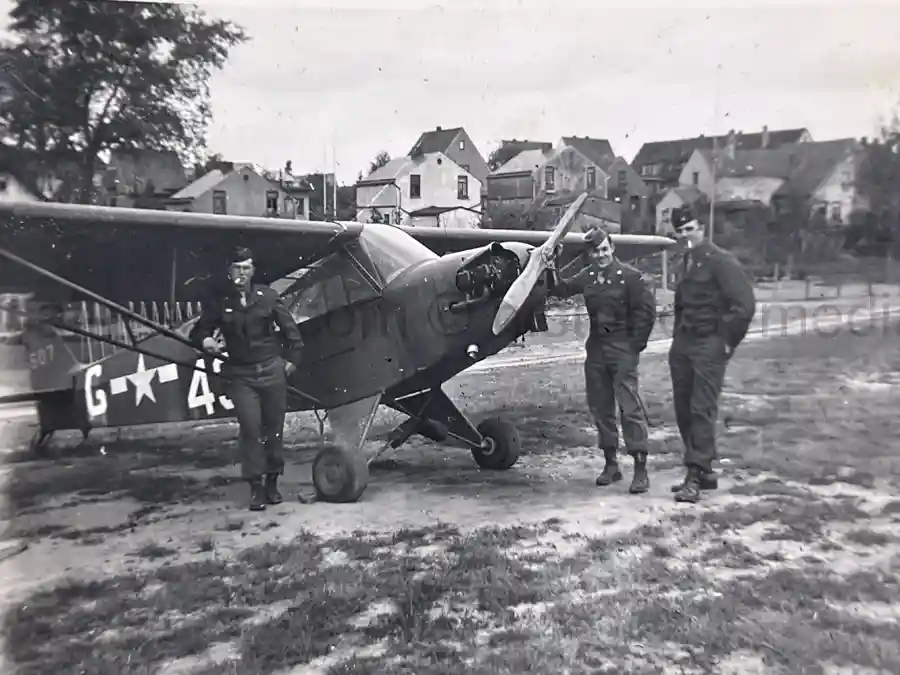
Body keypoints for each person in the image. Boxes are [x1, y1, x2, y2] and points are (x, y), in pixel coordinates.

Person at [189, 247, 304, 511]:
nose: (242, 273)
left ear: (253, 271)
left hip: (271, 371)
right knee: (251, 430)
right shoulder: (220, 302)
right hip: (242, 375)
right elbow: (198, 332)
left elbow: (291, 333)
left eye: (247, 268)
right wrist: (206, 340)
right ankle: (256, 488)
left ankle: (273, 484)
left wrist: (290, 362)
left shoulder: (268, 296)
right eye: (237, 268)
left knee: (273, 430)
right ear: (229, 272)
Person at [549, 227, 657, 494]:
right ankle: (611, 465)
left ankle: (640, 469)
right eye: (596, 251)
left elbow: (646, 314)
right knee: (601, 408)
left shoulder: (631, 277)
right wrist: (552, 261)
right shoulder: (589, 276)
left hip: (622, 349)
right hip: (596, 349)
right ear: (590, 253)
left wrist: (634, 347)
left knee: (629, 407)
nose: (601, 255)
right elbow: (561, 288)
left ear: (612, 248)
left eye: (604, 249)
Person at [668, 205, 756, 503]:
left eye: (690, 229)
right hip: (683, 344)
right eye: (680, 231)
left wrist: (726, 341)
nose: (685, 235)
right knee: (682, 409)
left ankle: (694, 475)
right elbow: (681, 303)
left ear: (702, 228)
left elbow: (744, 305)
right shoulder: (685, 262)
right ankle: (704, 472)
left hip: (709, 345)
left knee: (700, 409)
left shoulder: (721, 262)